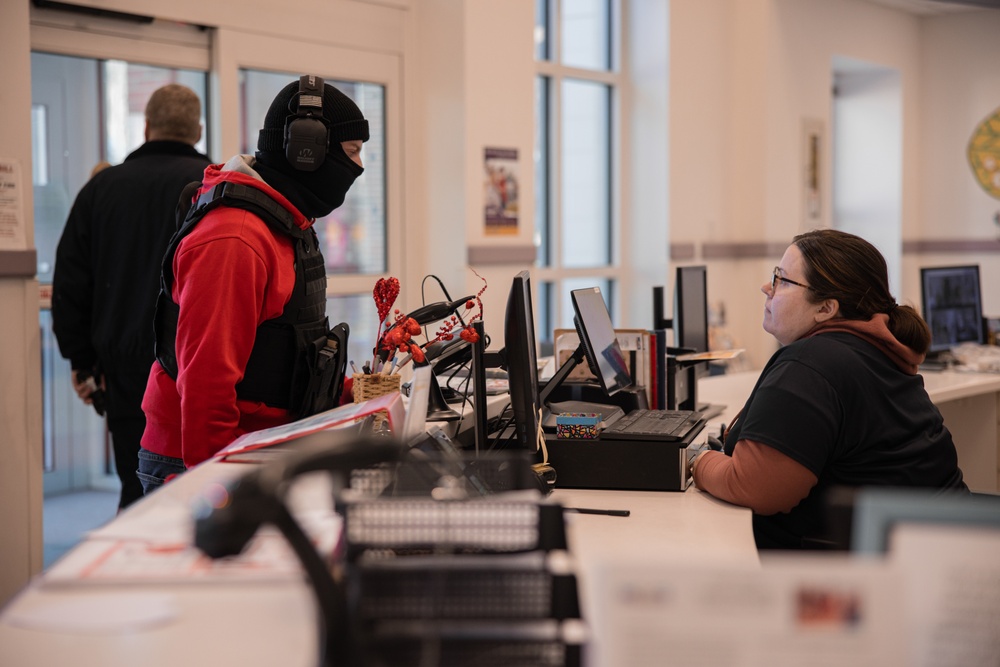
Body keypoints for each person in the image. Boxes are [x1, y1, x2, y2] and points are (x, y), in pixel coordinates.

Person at [137, 75, 368, 493]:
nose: (359, 166)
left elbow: (284, 348)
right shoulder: (236, 237)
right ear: (307, 152)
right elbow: (207, 384)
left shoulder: (284, 223)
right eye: (351, 152)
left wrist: (348, 393)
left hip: (254, 447)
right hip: (207, 460)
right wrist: (220, 491)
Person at [690, 229, 968, 550]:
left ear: (825, 309)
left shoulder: (811, 363)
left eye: (782, 280)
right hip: (929, 543)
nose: (767, 288)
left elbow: (757, 489)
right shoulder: (875, 349)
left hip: (869, 566)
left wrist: (698, 462)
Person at [51, 84, 211, 510]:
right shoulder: (216, 187)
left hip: (121, 369)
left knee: (135, 489)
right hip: (195, 367)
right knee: (203, 489)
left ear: (146, 127)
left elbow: (71, 283)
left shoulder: (101, 190)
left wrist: (81, 361)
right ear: (197, 129)